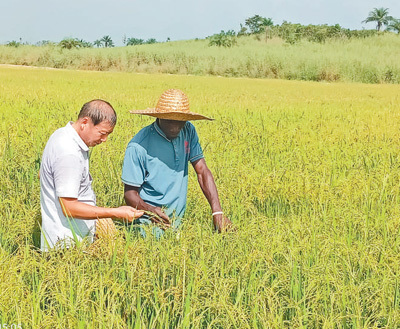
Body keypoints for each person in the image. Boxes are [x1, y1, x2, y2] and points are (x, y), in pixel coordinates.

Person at [122, 89, 232, 235]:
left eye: (180, 121)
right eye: (169, 121)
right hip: (147, 227)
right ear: (159, 117)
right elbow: (130, 194)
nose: (175, 127)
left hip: (178, 226)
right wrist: (151, 211)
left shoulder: (188, 131)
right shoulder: (138, 146)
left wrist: (217, 212)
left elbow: (202, 171)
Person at [40, 99, 143, 251]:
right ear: (85, 122)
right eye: (102, 133)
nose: (104, 140)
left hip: (72, 240)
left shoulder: (61, 135)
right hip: (66, 246)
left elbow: (43, 175)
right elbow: (69, 208)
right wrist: (114, 213)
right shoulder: (69, 153)